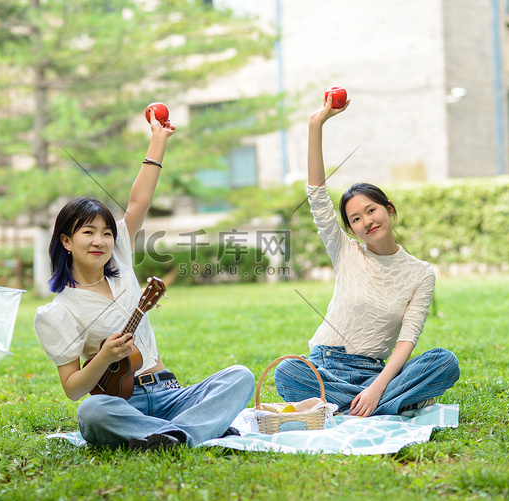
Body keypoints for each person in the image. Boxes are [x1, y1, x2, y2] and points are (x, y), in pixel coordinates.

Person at [35, 110, 255, 449]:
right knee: (91, 412)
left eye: (107, 233)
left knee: (240, 376)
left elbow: (140, 200)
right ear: (66, 241)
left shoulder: (119, 257)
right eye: (88, 232)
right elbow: (74, 388)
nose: (100, 241)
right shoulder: (59, 310)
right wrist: (105, 357)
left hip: (169, 392)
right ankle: (191, 430)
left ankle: (172, 434)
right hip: (123, 404)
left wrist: (158, 139)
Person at [274, 94, 460, 417]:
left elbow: (407, 341)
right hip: (325, 369)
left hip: (377, 374)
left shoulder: (421, 274)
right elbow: (317, 197)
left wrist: (376, 388)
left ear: (389, 209)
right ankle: (384, 406)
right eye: (356, 219)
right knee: (288, 372)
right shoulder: (345, 251)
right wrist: (315, 124)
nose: (366, 222)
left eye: (371, 210)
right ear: (351, 229)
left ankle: (356, 405)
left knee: (445, 362)